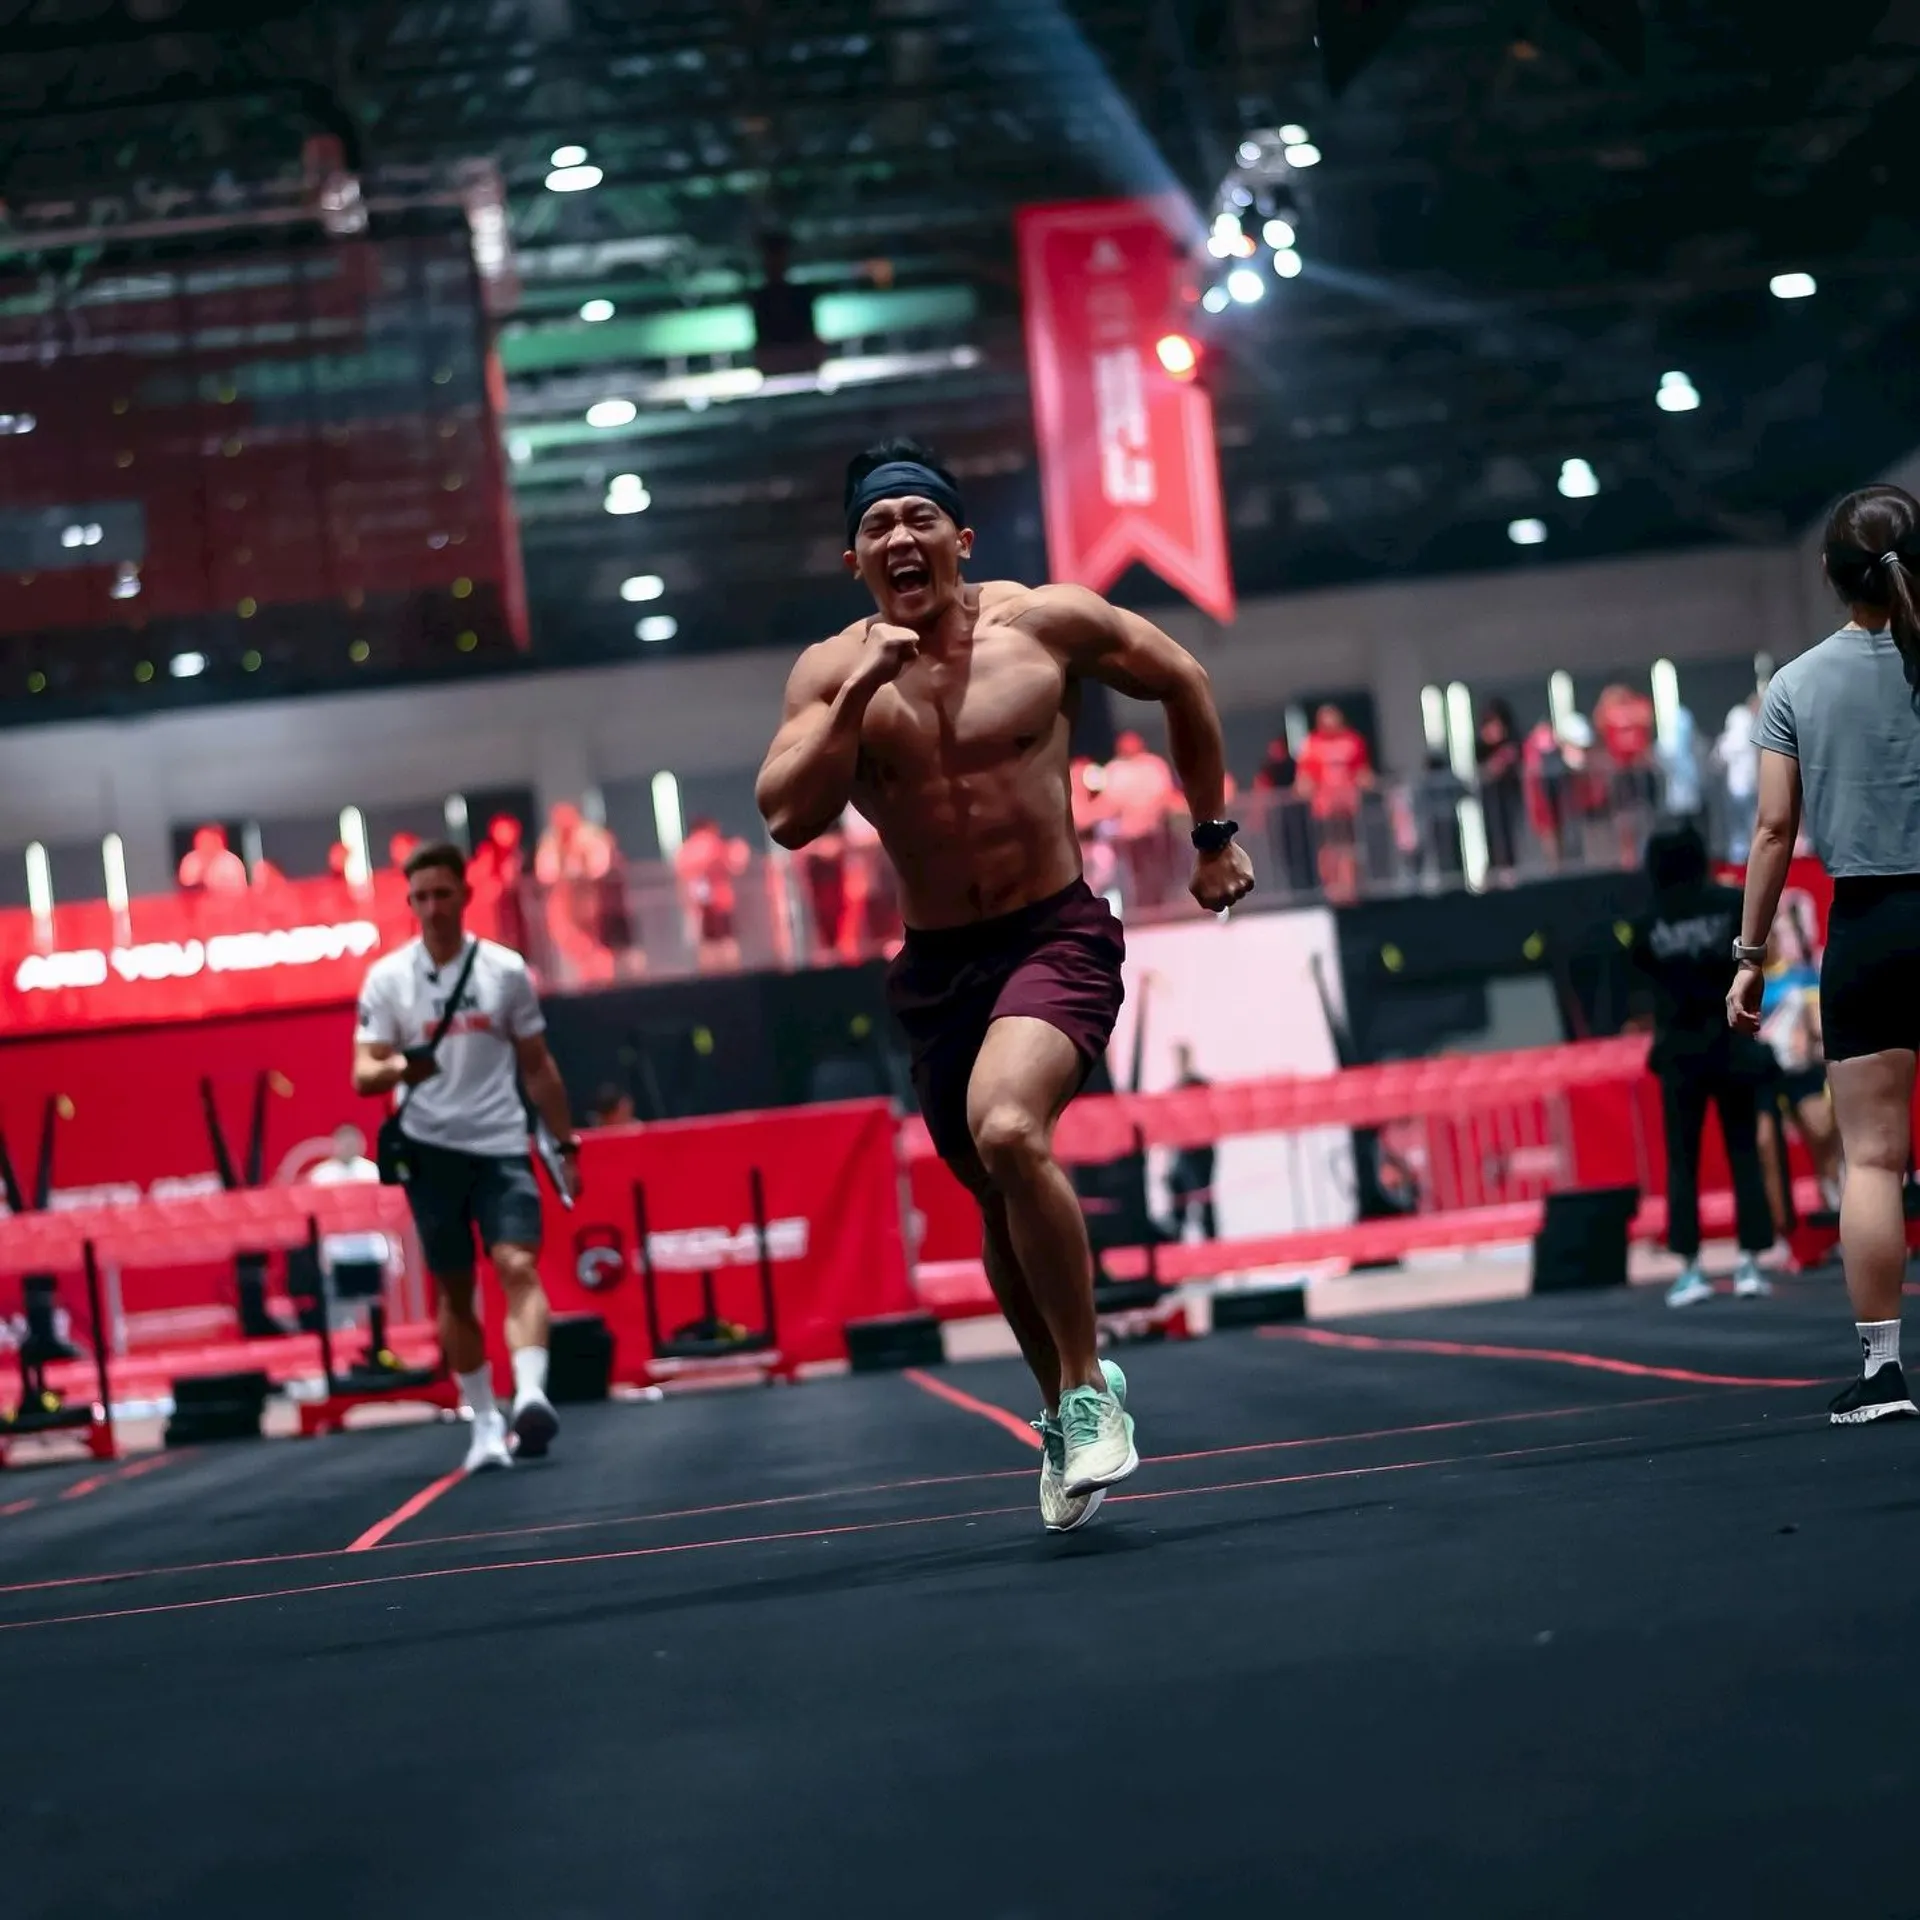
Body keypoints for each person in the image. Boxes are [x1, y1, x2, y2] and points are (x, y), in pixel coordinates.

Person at [755, 437, 1252, 1533]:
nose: (899, 540)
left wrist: (1211, 833)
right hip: (939, 966)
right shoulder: (833, 672)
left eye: (918, 520)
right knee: (990, 1183)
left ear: (959, 540)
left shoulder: (1045, 624)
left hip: (1054, 933)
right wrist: (857, 700)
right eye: (877, 529)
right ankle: (1059, 1406)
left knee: (1010, 1129)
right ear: (855, 561)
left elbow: (1183, 677)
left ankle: (1086, 1385)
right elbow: (787, 816)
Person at [1731, 483, 1920, 1423]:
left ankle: (1884, 1377)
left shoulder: (1798, 683)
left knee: (1876, 1161)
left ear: (1831, 577)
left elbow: (1773, 831)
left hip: (1873, 928)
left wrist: (1749, 953)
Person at [352, 841, 582, 1472]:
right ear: (411, 904)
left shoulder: (504, 971)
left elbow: (538, 1067)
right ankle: (483, 1420)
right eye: (421, 897)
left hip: (502, 1144)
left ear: (464, 896)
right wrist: (405, 1064)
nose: (433, 907)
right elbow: (363, 1073)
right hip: (428, 1151)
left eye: (443, 894)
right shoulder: (388, 979)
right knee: (455, 1291)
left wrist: (564, 1144)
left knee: (517, 1265)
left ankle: (531, 1394)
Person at [1630, 826, 1775, 1306]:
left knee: (1682, 1164)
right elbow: (1754, 954)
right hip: (1731, 1043)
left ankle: (1690, 1269)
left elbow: (1641, 972)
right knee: (1743, 1154)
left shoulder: (1649, 921)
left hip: (1679, 1052)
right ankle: (1750, 1264)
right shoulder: (1729, 903)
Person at [1294, 704, 1372, 899]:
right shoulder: (1311, 744)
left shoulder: (1352, 740)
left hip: (1346, 806)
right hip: (1324, 808)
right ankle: (1332, 888)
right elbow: (1304, 777)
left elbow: (1362, 771)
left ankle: (1349, 887)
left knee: (1348, 848)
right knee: (1327, 849)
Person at [1165, 1042, 1217, 1241]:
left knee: (1204, 1202)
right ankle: (1178, 1246)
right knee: (1179, 1202)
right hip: (1183, 1151)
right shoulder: (1174, 1090)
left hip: (1200, 1150)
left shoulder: (1199, 1085)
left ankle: (1210, 1247)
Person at [1475, 700, 1525, 879]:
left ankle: (1508, 868)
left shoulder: (1512, 742)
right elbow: (1486, 769)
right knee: (1493, 831)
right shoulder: (1481, 747)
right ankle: (1495, 866)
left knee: (1508, 832)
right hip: (1491, 797)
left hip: (1508, 794)